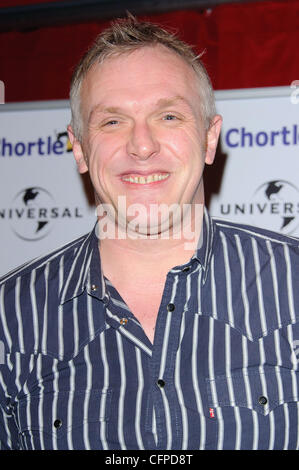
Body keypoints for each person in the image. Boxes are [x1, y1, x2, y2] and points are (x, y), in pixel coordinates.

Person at [1, 16, 299, 451]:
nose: (142, 145)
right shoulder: (10, 317)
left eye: (169, 115)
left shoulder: (292, 283)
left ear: (209, 139)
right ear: (80, 149)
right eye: (112, 122)